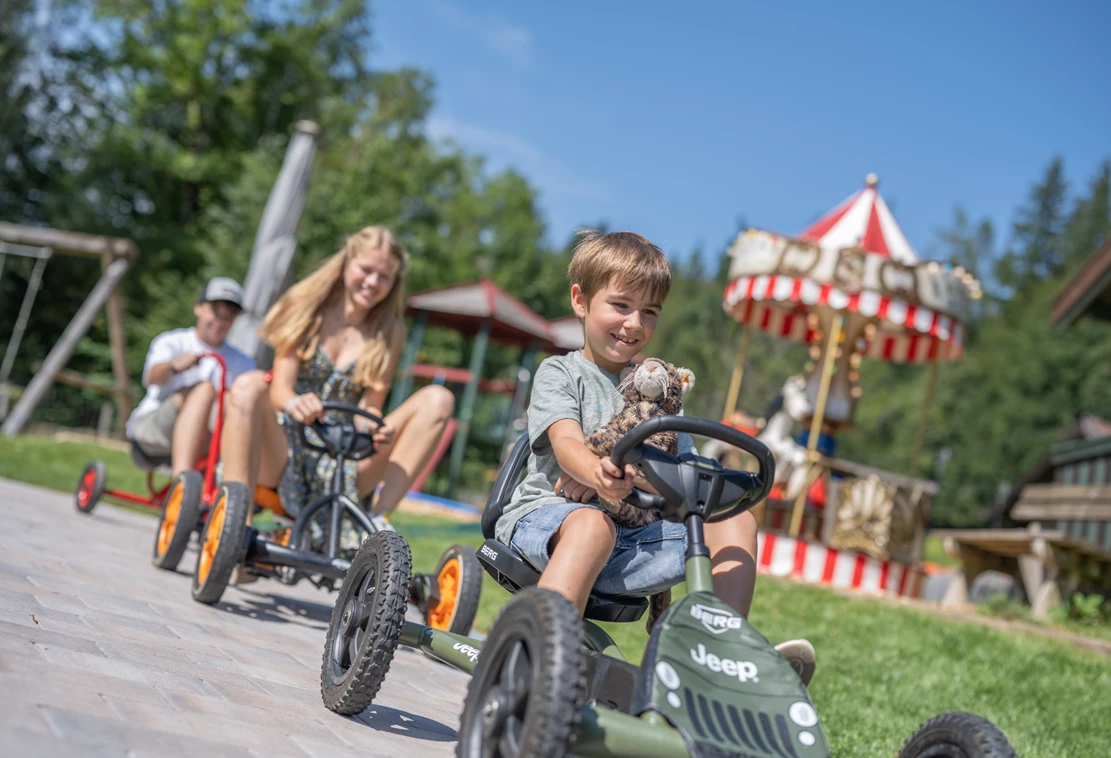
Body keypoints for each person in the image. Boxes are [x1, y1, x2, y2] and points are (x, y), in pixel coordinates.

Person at [496, 229, 816, 685]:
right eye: (621, 305)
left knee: (735, 521)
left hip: (630, 538)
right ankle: (536, 659)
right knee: (592, 524)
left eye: (649, 313)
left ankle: (718, 660)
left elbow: (681, 476)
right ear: (581, 301)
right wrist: (597, 473)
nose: (634, 324)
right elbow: (566, 443)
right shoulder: (561, 372)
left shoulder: (662, 393)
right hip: (547, 520)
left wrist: (637, 480)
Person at [218, 225, 454, 538]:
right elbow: (280, 388)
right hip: (287, 447)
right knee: (249, 384)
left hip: (343, 457)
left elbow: (369, 408)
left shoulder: (390, 330)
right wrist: (295, 403)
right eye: (366, 270)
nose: (372, 283)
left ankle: (379, 523)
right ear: (346, 263)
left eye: (384, 277)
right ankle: (236, 527)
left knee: (440, 399)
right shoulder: (307, 305)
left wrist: (374, 428)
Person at [125, 277, 256, 476]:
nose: (220, 322)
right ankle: (182, 480)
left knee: (236, 400)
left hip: (209, 442)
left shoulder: (244, 362)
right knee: (204, 390)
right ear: (199, 308)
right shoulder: (173, 341)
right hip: (153, 435)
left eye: (228, 316)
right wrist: (172, 366)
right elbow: (151, 378)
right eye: (215, 312)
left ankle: (236, 481)